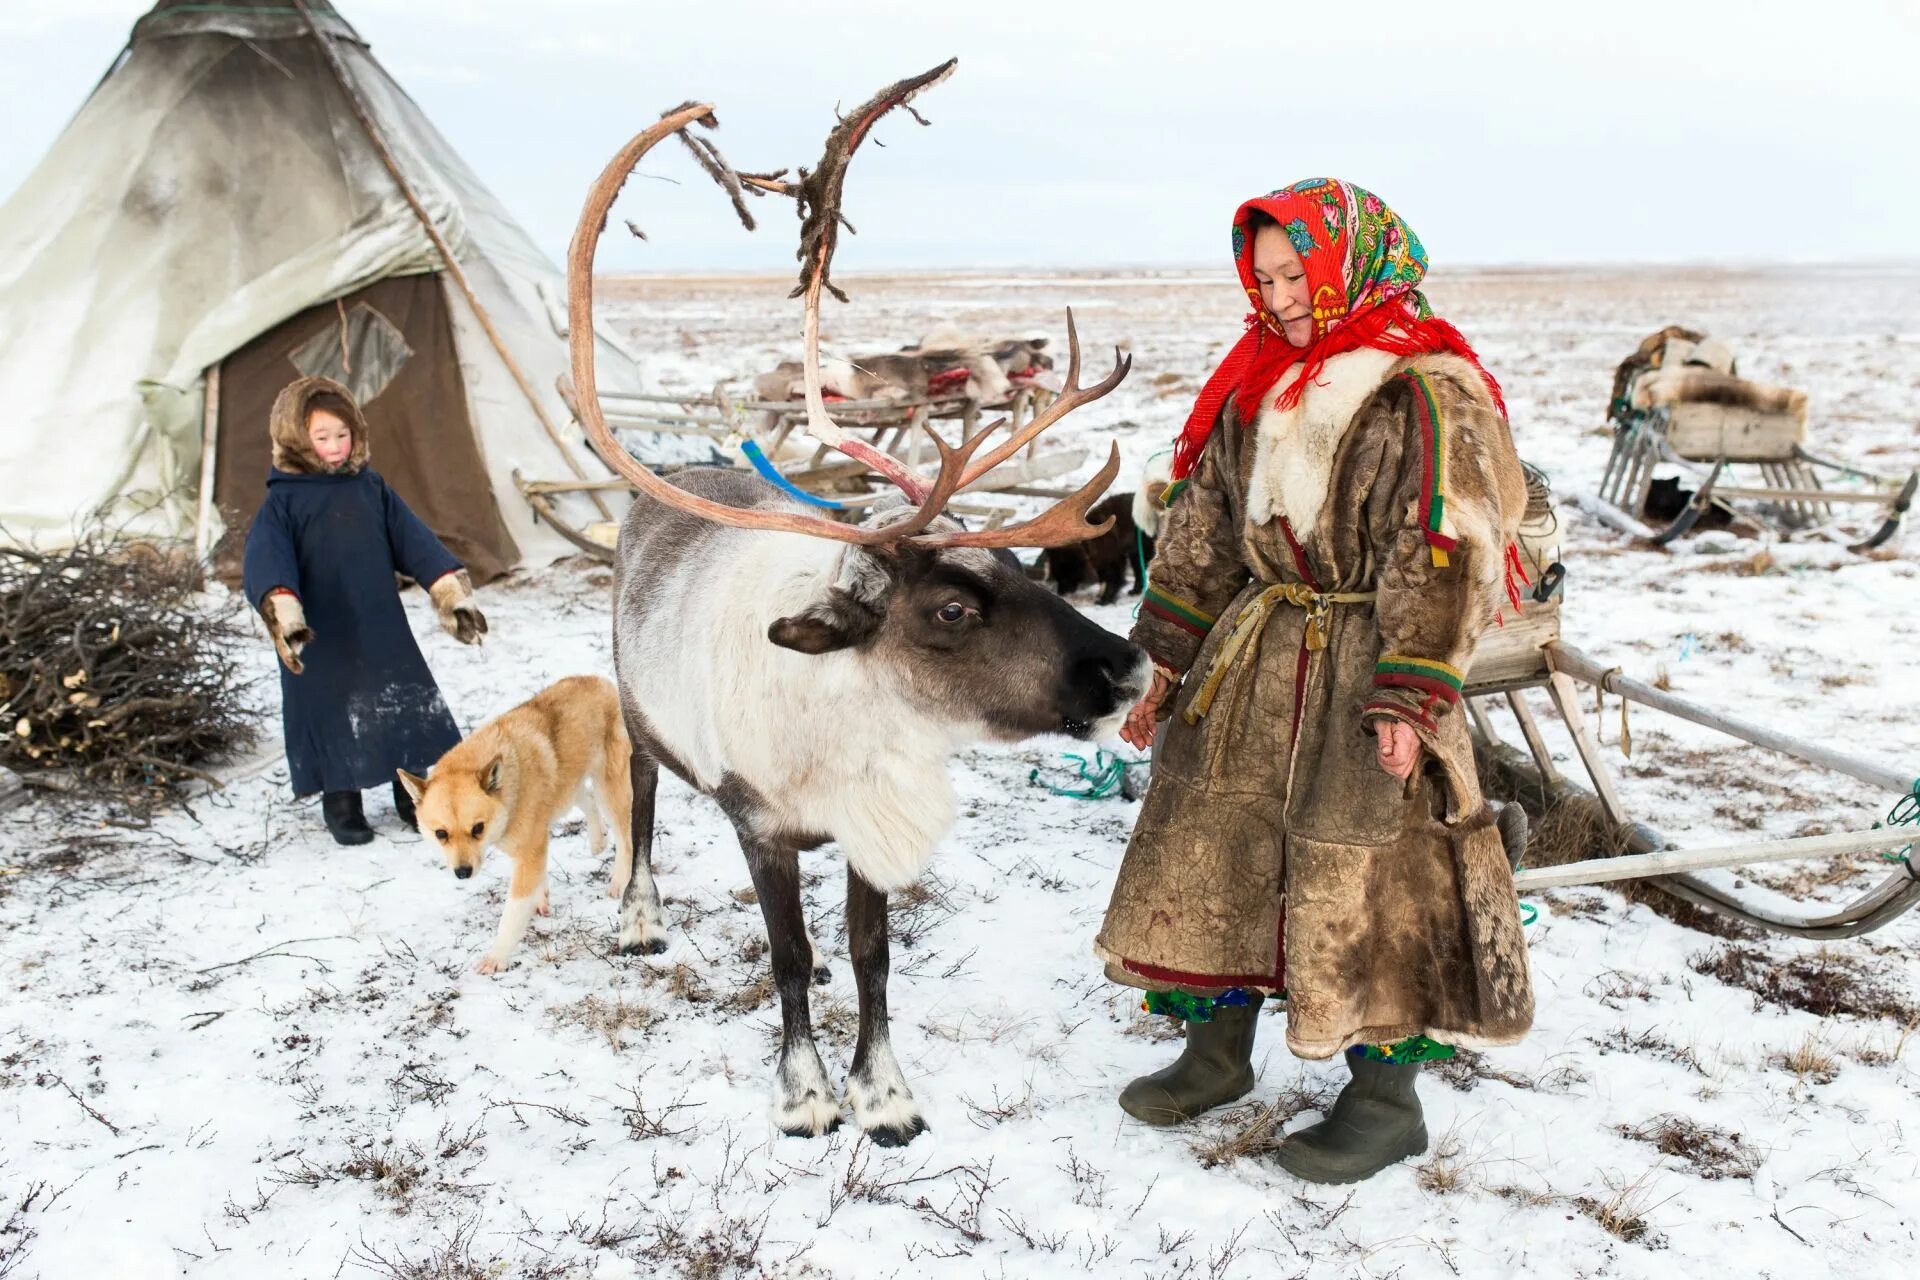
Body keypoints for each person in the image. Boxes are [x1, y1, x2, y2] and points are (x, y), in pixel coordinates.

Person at [1096, 179, 1534, 1185]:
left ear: (1351, 262)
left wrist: (1411, 693)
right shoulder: (1257, 381)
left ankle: (1386, 1099)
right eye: (1265, 278)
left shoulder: (1425, 385)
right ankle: (1216, 1049)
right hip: (1254, 662)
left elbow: (1447, 544)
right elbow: (1204, 528)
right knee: (1218, 843)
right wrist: (1160, 659)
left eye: (1299, 274)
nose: (1283, 298)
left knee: (1377, 874)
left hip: (1368, 663)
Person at [242, 376, 489, 845]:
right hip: (322, 629)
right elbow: (267, 559)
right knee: (331, 706)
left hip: (377, 620)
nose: (335, 447)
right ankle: (341, 799)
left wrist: (448, 591)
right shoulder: (283, 501)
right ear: (296, 438)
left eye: (343, 434)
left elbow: (412, 539)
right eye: (321, 437)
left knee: (398, 700)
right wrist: (285, 611)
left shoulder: (369, 487)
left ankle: (409, 790)